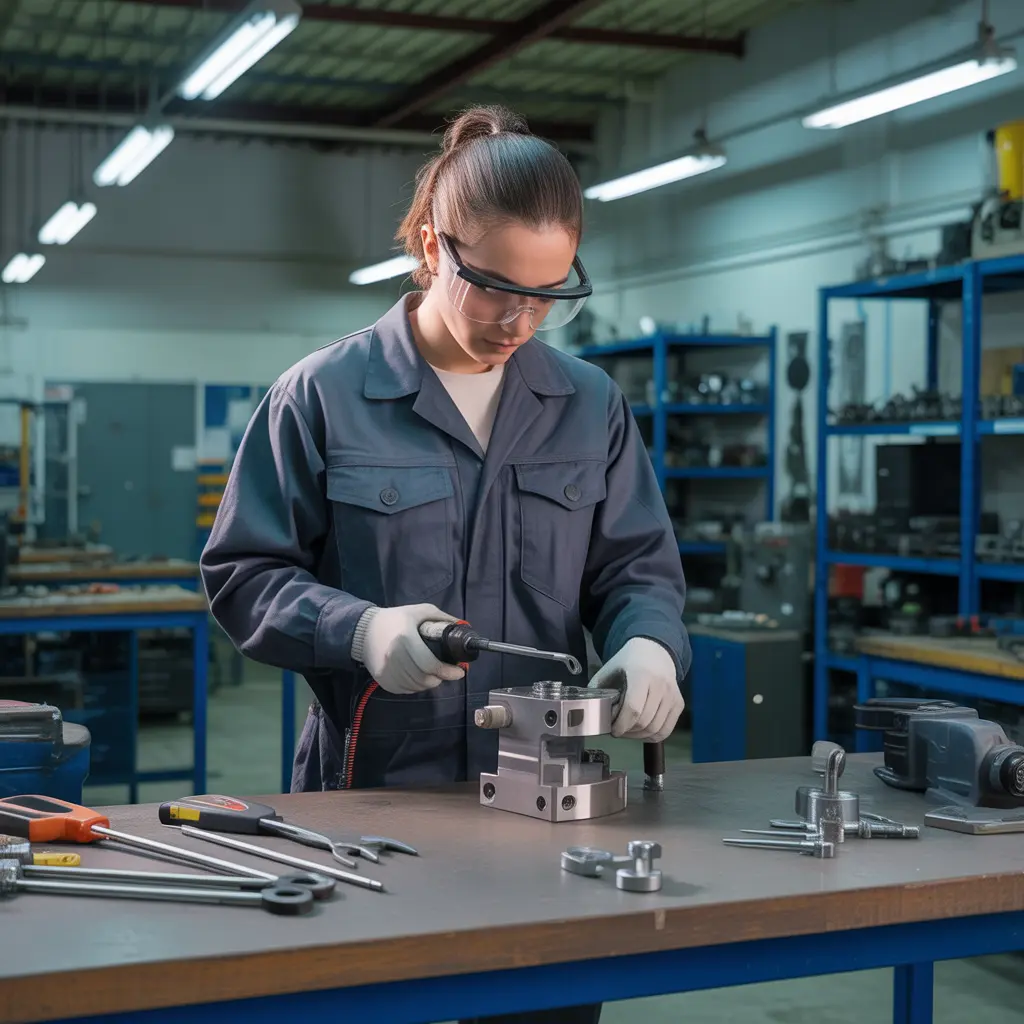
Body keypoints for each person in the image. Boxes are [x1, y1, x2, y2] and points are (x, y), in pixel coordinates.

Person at [200, 105, 691, 1024]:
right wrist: (359, 628)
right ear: (434, 248)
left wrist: (652, 644)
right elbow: (243, 575)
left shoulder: (588, 406)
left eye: (549, 294)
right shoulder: (321, 396)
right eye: (498, 286)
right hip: (370, 807)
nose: (521, 318)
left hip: (549, 810)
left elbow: (638, 571)